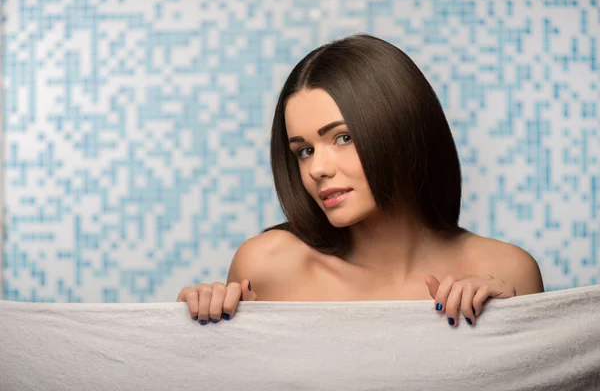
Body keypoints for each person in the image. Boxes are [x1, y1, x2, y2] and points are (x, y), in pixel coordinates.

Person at [176, 33, 544, 327]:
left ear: (401, 129)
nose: (317, 168)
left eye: (342, 138)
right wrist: (196, 329)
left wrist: (506, 327)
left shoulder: (508, 271)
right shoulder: (267, 266)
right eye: (304, 150)